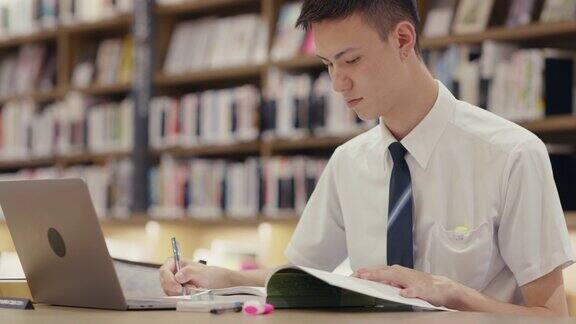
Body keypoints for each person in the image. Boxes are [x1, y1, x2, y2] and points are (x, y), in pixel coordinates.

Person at [159, 0, 575, 316]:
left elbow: (552, 318)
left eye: (351, 60)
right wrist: (221, 278)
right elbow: (302, 278)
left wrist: (454, 294)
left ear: (403, 40)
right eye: (327, 64)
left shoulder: (512, 154)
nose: (338, 83)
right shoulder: (348, 163)